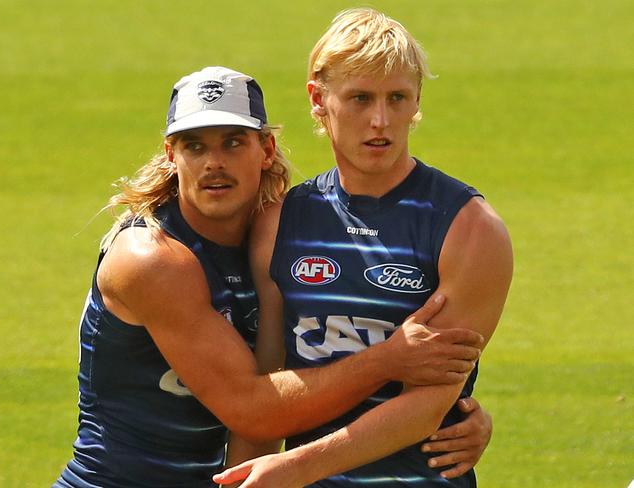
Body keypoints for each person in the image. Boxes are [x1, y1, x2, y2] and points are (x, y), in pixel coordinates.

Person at [53, 65, 490, 488]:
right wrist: (389, 361)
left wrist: (451, 409)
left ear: (265, 150)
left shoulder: (276, 238)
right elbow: (255, 411)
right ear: (172, 155)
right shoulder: (152, 259)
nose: (214, 163)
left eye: (232, 143)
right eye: (195, 146)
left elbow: (323, 349)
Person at [215, 8, 513, 488]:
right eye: (360, 98)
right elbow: (266, 394)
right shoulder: (279, 222)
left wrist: (292, 470)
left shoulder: (468, 228)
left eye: (398, 98)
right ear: (318, 99)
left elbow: (425, 408)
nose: (381, 120)